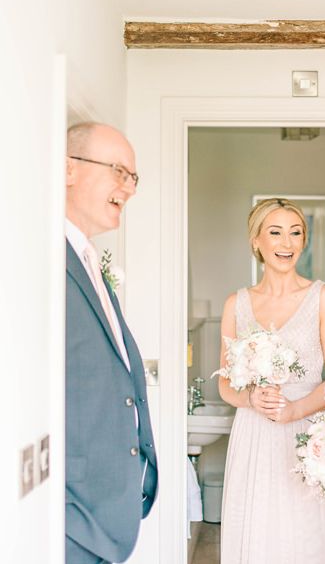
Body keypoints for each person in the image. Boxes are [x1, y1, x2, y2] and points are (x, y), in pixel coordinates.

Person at [218, 198, 325, 564]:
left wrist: (295, 410)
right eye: (275, 232)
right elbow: (225, 384)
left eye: (295, 233)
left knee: (305, 539)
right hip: (254, 436)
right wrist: (250, 400)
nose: (286, 243)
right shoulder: (236, 304)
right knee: (257, 535)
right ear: (256, 241)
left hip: (306, 430)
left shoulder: (324, 298)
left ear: (304, 241)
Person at [65, 122, 158, 564]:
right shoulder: (39, 256)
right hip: (71, 515)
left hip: (108, 514)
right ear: (68, 169)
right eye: (119, 171)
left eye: (133, 177)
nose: (129, 188)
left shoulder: (90, 263)